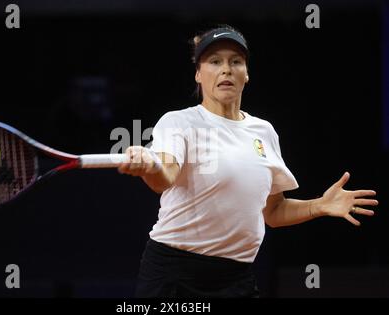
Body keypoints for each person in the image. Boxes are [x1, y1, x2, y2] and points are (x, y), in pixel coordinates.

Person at [117, 25, 378, 298]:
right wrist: (150, 166)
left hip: (237, 276)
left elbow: (273, 211)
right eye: (215, 61)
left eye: (236, 61)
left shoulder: (263, 131)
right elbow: (165, 177)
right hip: (175, 274)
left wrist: (319, 206)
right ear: (198, 74)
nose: (226, 69)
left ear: (247, 74)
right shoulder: (179, 122)